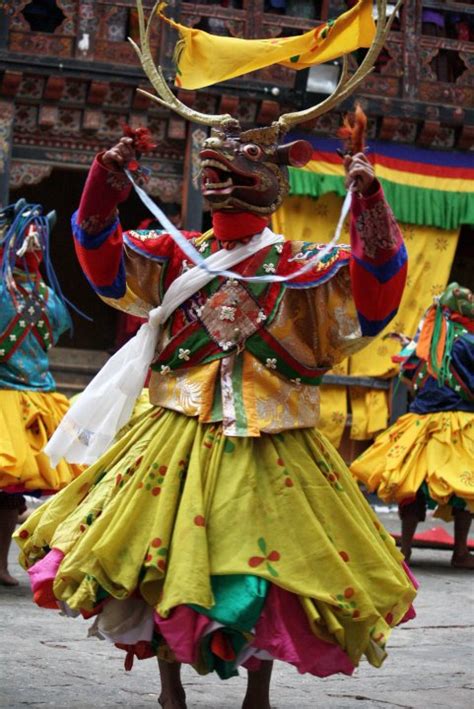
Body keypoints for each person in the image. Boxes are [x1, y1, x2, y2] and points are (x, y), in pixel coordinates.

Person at [15, 4, 416, 707]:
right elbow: (104, 265)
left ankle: (256, 689)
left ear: (277, 183)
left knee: (265, 571)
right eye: (217, 167)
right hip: (174, 428)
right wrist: (104, 183)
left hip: (275, 437)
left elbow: (376, 298)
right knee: (158, 562)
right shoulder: (173, 250)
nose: (223, 176)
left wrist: (371, 200)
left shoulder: (301, 264)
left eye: (242, 167)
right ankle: (169, 685)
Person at [351, 283, 474, 568]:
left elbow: (407, 375)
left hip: (419, 422)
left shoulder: (426, 339)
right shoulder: (469, 342)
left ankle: (404, 551)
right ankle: (460, 552)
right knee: (466, 487)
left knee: (411, 486)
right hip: (461, 423)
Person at [0, 200, 82, 586]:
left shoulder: (4, 291)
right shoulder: (49, 297)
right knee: (12, 494)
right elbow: (58, 330)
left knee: (9, 493)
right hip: (37, 399)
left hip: (9, 400)